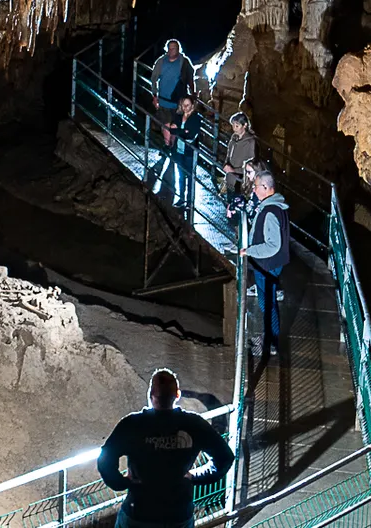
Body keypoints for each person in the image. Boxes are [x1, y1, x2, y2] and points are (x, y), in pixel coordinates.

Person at [97, 369, 234, 528]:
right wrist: (196, 476)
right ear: (177, 395)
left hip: (139, 512)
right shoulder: (194, 424)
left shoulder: (132, 424)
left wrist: (122, 483)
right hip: (178, 514)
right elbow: (225, 457)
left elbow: (105, 459)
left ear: (150, 394)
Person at [242, 169, 290, 356]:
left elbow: (272, 245)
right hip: (269, 264)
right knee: (266, 301)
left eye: (255, 187)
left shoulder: (270, 211)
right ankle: (269, 336)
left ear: (265, 187)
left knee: (268, 303)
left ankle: (272, 342)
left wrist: (249, 251)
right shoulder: (276, 206)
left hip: (268, 264)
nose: (253, 190)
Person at [167, 96, 204, 210]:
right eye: (183, 105)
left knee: (190, 176)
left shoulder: (196, 118)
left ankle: (190, 201)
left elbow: (191, 135)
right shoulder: (178, 116)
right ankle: (181, 198)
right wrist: (183, 131)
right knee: (181, 176)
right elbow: (172, 129)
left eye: (187, 105)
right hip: (179, 150)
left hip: (190, 152)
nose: (185, 107)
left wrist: (179, 131)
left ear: (192, 105)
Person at [221, 112, 257, 211]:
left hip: (241, 179)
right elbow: (228, 155)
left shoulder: (251, 142)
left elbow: (252, 163)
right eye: (233, 125)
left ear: (244, 125)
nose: (234, 128)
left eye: (237, 126)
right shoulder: (233, 139)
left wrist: (234, 170)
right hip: (230, 178)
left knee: (238, 205)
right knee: (229, 202)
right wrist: (226, 164)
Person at [152, 40, 195, 114]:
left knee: (176, 125)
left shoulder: (184, 62)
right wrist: (154, 95)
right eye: (169, 48)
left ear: (178, 49)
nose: (171, 51)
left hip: (179, 103)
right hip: (163, 102)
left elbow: (190, 79)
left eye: (173, 48)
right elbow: (154, 79)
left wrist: (192, 94)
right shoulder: (161, 61)